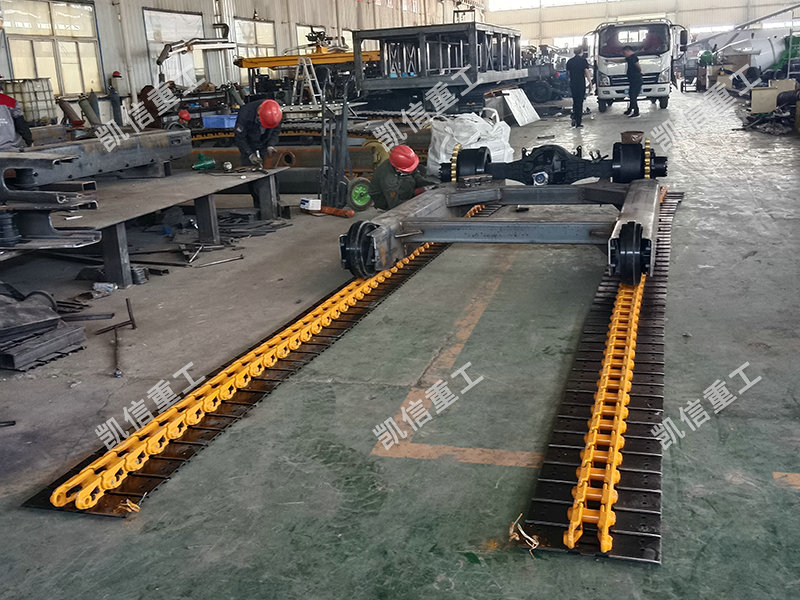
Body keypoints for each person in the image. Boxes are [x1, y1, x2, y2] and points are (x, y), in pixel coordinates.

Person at [368, 145, 437, 211]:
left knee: (421, 169)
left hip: (395, 182)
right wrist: (416, 204)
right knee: (407, 182)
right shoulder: (389, 179)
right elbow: (394, 204)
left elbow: (415, 174)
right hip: (383, 199)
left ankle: (411, 194)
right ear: (398, 169)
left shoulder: (399, 162)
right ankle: (410, 196)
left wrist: (427, 184)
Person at [233, 99, 282, 167]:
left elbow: (275, 131)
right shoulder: (245, 114)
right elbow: (239, 138)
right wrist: (250, 154)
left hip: (265, 141)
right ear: (258, 114)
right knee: (248, 166)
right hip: (249, 143)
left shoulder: (275, 112)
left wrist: (270, 145)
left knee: (266, 165)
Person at [565, 47, 592, 128]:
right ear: (581, 52)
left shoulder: (570, 61)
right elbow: (587, 72)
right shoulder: (583, 61)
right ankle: (578, 122)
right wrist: (590, 83)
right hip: (580, 84)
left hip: (573, 83)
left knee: (575, 101)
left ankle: (574, 117)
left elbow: (567, 74)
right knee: (580, 102)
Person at [623, 46, 642, 118]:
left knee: (633, 95)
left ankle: (636, 112)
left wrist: (639, 71)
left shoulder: (633, 57)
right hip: (633, 80)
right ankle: (630, 109)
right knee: (631, 94)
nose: (624, 55)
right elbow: (622, 60)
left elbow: (638, 67)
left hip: (636, 79)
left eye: (625, 53)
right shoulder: (629, 58)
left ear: (628, 51)